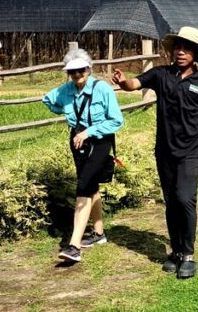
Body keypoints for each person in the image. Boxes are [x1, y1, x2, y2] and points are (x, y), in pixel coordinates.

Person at [112, 26, 198, 280]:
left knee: (185, 199)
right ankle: (176, 252)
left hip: (191, 151)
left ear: (195, 54)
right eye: (177, 48)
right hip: (165, 151)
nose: (181, 52)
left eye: (187, 48)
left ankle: (189, 255)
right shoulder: (161, 75)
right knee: (171, 202)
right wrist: (122, 81)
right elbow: (134, 84)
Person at [43, 49, 123, 263]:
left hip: (99, 140)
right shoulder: (66, 90)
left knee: (84, 186)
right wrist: (65, 113)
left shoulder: (103, 89)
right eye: (72, 71)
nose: (77, 74)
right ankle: (99, 234)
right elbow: (48, 100)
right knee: (91, 186)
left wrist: (89, 131)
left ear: (89, 69)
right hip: (77, 141)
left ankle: (74, 246)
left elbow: (117, 121)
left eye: (81, 69)